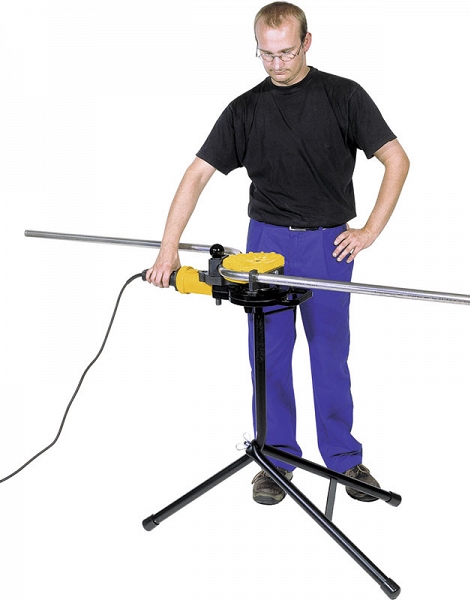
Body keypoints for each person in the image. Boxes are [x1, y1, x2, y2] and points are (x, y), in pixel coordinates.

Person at [146, 2, 409, 505]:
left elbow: (396, 158)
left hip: (329, 244)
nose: (277, 64)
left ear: (307, 42)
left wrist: (370, 231)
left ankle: (344, 460)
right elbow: (197, 174)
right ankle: (275, 460)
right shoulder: (245, 109)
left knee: (329, 355)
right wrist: (168, 249)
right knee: (267, 356)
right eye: (266, 55)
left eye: (286, 53)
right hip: (265, 245)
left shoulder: (344, 96)